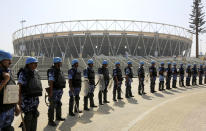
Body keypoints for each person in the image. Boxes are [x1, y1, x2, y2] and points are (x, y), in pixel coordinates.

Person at [18, 57, 42, 131]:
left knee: (35, 115)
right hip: (26, 100)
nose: (35, 65)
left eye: (36, 63)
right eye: (33, 63)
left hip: (35, 100)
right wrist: (19, 100)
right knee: (28, 117)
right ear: (28, 64)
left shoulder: (36, 72)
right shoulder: (23, 73)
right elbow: (19, 86)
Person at [0, 50, 19, 131]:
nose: (10, 62)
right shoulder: (6, 75)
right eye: (8, 60)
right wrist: (5, 81)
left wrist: (16, 106)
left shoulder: (9, 72)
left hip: (9, 109)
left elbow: (12, 91)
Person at [47, 57, 66, 126]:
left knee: (58, 103)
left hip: (59, 90)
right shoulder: (52, 70)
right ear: (57, 63)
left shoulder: (59, 70)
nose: (61, 63)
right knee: (52, 105)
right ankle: (50, 120)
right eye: (60, 62)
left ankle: (58, 117)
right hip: (54, 90)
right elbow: (51, 81)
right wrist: (51, 91)